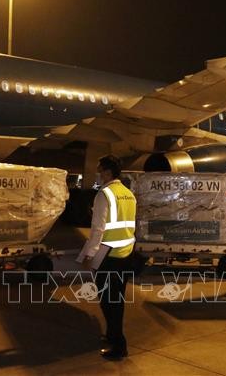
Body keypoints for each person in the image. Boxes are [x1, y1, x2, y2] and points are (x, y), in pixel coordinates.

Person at [76, 155, 136, 361]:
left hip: (108, 256)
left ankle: (119, 346)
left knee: (109, 302)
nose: (99, 174)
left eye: (100, 170)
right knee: (116, 300)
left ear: (108, 172)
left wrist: (89, 255)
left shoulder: (104, 194)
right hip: (125, 254)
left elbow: (98, 229)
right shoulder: (128, 194)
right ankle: (112, 335)